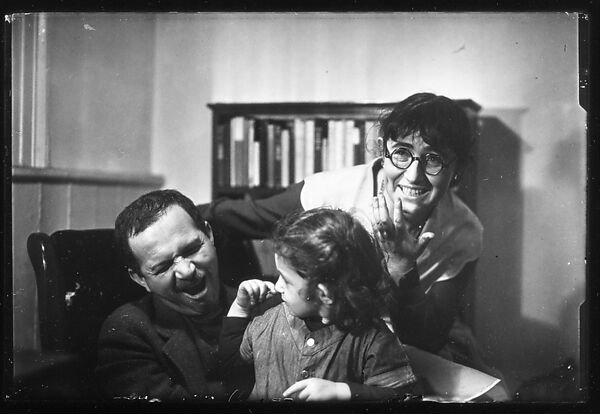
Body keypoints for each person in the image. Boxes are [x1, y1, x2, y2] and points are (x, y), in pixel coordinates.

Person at [198, 92, 483, 359]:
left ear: (456, 169)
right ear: (384, 152)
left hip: (397, 350)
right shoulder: (329, 191)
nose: (414, 174)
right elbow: (233, 217)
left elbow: (426, 339)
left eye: (433, 159)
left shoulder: (464, 231)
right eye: (402, 153)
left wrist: (403, 270)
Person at [218, 207, 418, 402]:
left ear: (325, 294)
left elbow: (402, 397)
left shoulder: (373, 339)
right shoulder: (268, 322)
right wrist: (240, 308)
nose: (278, 286)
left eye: (286, 280)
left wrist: (344, 392)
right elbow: (229, 372)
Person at [95, 189, 241, 400]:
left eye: (192, 249)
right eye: (163, 266)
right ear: (139, 278)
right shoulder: (128, 332)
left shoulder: (267, 306)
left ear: (209, 235)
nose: (186, 271)